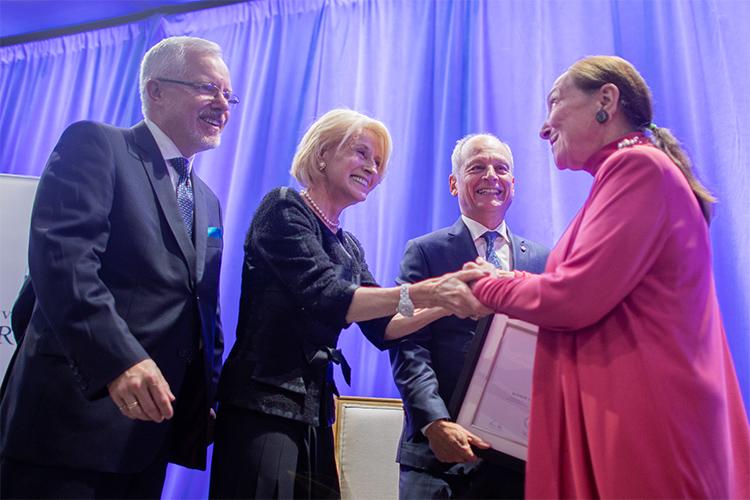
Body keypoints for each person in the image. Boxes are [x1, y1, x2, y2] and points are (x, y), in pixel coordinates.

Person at [466, 55, 750, 498]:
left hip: (645, 424)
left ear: (606, 99)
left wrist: (487, 284)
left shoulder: (639, 169)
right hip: (629, 414)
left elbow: (573, 297)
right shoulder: (628, 173)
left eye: (555, 102)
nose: (544, 128)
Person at [209, 109, 486, 499]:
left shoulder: (348, 245)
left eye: (377, 162)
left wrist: (454, 302)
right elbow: (329, 297)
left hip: (314, 410)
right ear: (322, 154)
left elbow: (385, 325)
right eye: (361, 153)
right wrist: (433, 290)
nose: (371, 168)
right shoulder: (285, 208)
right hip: (262, 408)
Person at [0, 35, 233, 498]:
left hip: (146, 437)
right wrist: (118, 361)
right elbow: (64, 262)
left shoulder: (206, 200)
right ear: (156, 91)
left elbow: (201, 307)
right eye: (208, 88)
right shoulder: (98, 145)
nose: (222, 104)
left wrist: (201, 399)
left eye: (229, 94)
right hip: (68, 426)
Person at [389, 133, 549, 499]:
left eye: (501, 168)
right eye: (477, 167)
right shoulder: (425, 252)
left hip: (517, 462)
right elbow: (407, 344)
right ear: (453, 183)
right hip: (436, 456)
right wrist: (433, 421)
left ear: (513, 183)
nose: (491, 175)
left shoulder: (544, 260)